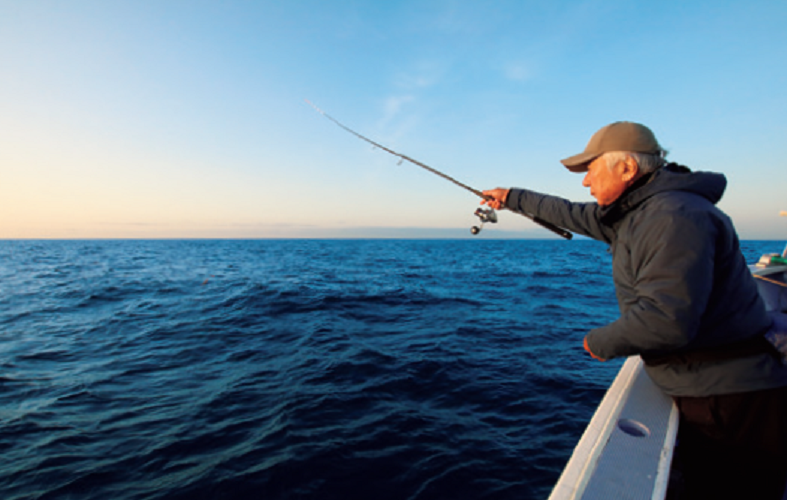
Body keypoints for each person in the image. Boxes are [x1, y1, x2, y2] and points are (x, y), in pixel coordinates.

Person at [481, 121, 787, 499]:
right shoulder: (638, 212)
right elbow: (571, 213)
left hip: (728, 400)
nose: (585, 182)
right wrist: (512, 196)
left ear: (626, 169)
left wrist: (600, 341)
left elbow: (665, 321)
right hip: (711, 385)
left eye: (590, 170)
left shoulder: (670, 217)